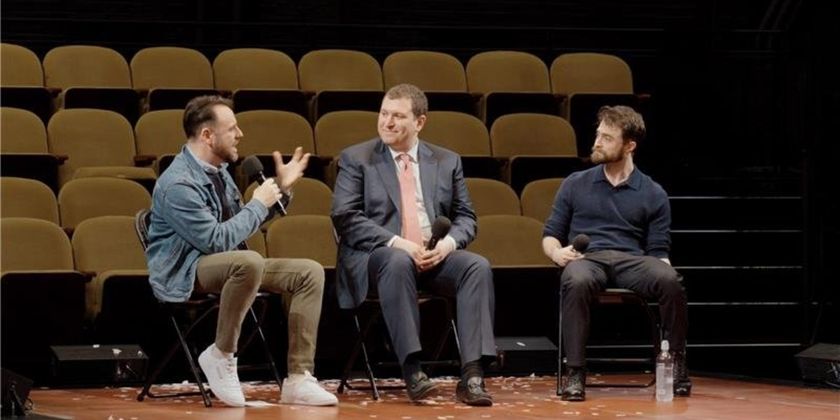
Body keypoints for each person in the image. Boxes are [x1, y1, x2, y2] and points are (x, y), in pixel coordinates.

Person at [145, 95, 338, 407]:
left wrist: (281, 189)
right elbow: (216, 240)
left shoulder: (218, 170)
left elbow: (241, 225)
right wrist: (258, 203)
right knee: (248, 261)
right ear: (207, 135)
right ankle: (221, 354)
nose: (240, 134)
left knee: (308, 272)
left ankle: (299, 377)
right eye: (232, 128)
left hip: (234, 264)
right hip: (185, 270)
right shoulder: (178, 184)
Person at [331, 84, 496, 406]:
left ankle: (473, 375)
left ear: (419, 122)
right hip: (377, 258)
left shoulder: (447, 160)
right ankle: (412, 370)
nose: (387, 123)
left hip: (432, 256)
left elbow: (466, 217)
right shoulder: (357, 158)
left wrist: (447, 245)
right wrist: (400, 244)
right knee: (397, 260)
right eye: (383, 114)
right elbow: (345, 217)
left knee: (476, 266)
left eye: (398, 116)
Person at [542, 105, 691, 402]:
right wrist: (557, 254)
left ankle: (675, 363)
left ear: (629, 146)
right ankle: (575, 372)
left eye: (607, 138)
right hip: (588, 258)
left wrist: (665, 275)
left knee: (671, 280)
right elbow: (550, 235)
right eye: (598, 135)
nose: (597, 142)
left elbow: (659, 251)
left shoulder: (653, 193)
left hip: (631, 260)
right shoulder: (575, 183)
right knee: (576, 280)